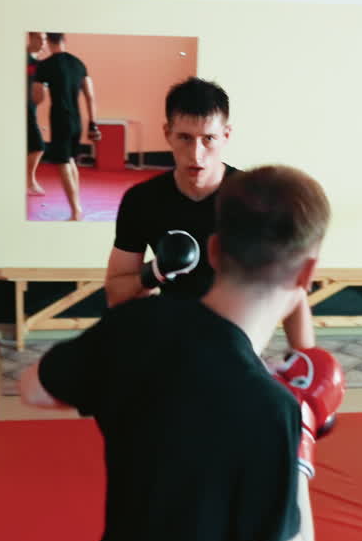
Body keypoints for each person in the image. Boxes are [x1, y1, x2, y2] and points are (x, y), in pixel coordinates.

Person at [19, 165, 343, 541]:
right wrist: (303, 440)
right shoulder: (270, 410)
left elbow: (33, 387)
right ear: (308, 274)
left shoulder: (138, 325)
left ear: (213, 248)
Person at [104, 77, 317, 351]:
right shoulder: (142, 201)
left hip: (237, 340)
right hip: (171, 337)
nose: (196, 153)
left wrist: (308, 361)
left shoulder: (255, 198)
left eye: (208, 139)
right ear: (167, 133)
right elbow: (115, 294)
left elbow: (292, 289)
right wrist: (155, 271)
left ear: (226, 135)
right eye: (185, 138)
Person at [33, 32, 100, 220]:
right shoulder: (79, 64)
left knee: (63, 164)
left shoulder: (45, 65)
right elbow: (90, 96)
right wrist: (93, 124)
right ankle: (76, 204)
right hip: (76, 121)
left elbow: (37, 98)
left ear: (49, 42)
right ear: (64, 40)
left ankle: (76, 210)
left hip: (60, 119)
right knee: (70, 160)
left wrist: (38, 85)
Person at [26, 31, 48, 196]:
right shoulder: (19, 57)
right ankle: (29, 182)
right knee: (38, 146)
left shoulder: (39, 64)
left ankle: (28, 182)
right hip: (20, 109)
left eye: (46, 39)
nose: (43, 42)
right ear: (31, 37)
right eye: (40, 38)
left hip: (30, 109)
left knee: (34, 146)